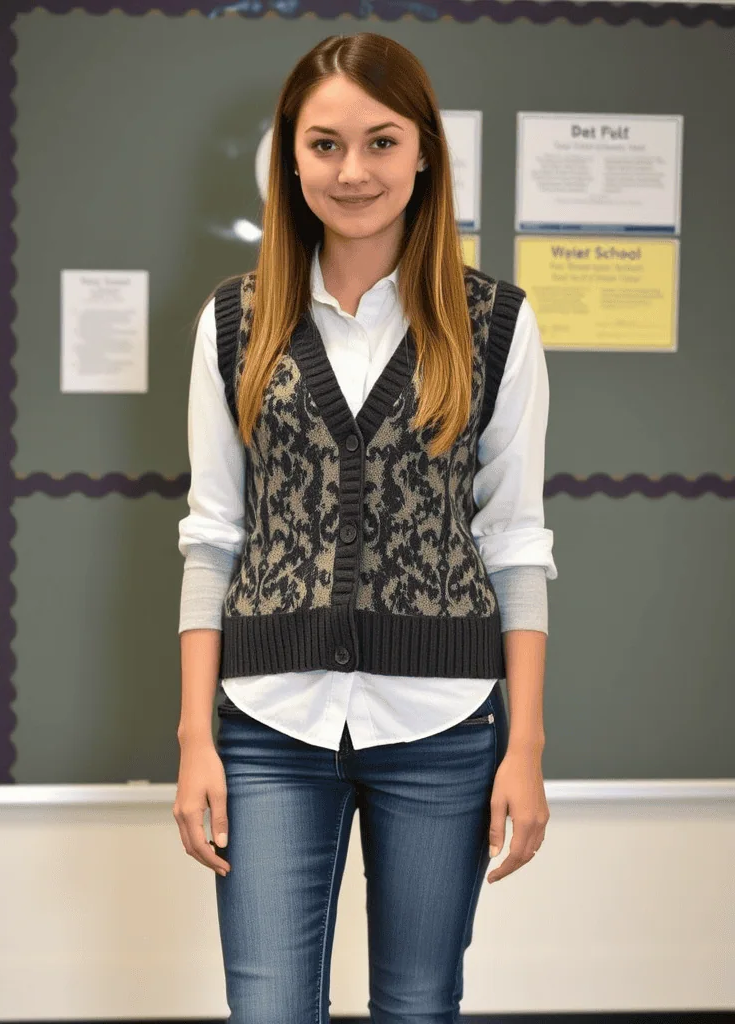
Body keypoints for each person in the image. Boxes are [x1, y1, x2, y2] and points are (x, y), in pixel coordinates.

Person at [174, 31, 557, 1024]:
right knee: (267, 1008)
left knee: (419, 1004)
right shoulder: (234, 322)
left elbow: (515, 542)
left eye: (382, 142)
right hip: (266, 726)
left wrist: (526, 748)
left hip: (442, 727)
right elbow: (212, 536)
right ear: (289, 160)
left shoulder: (497, 325)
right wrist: (193, 738)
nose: (354, 171)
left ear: (424, 152)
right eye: (326, 144)